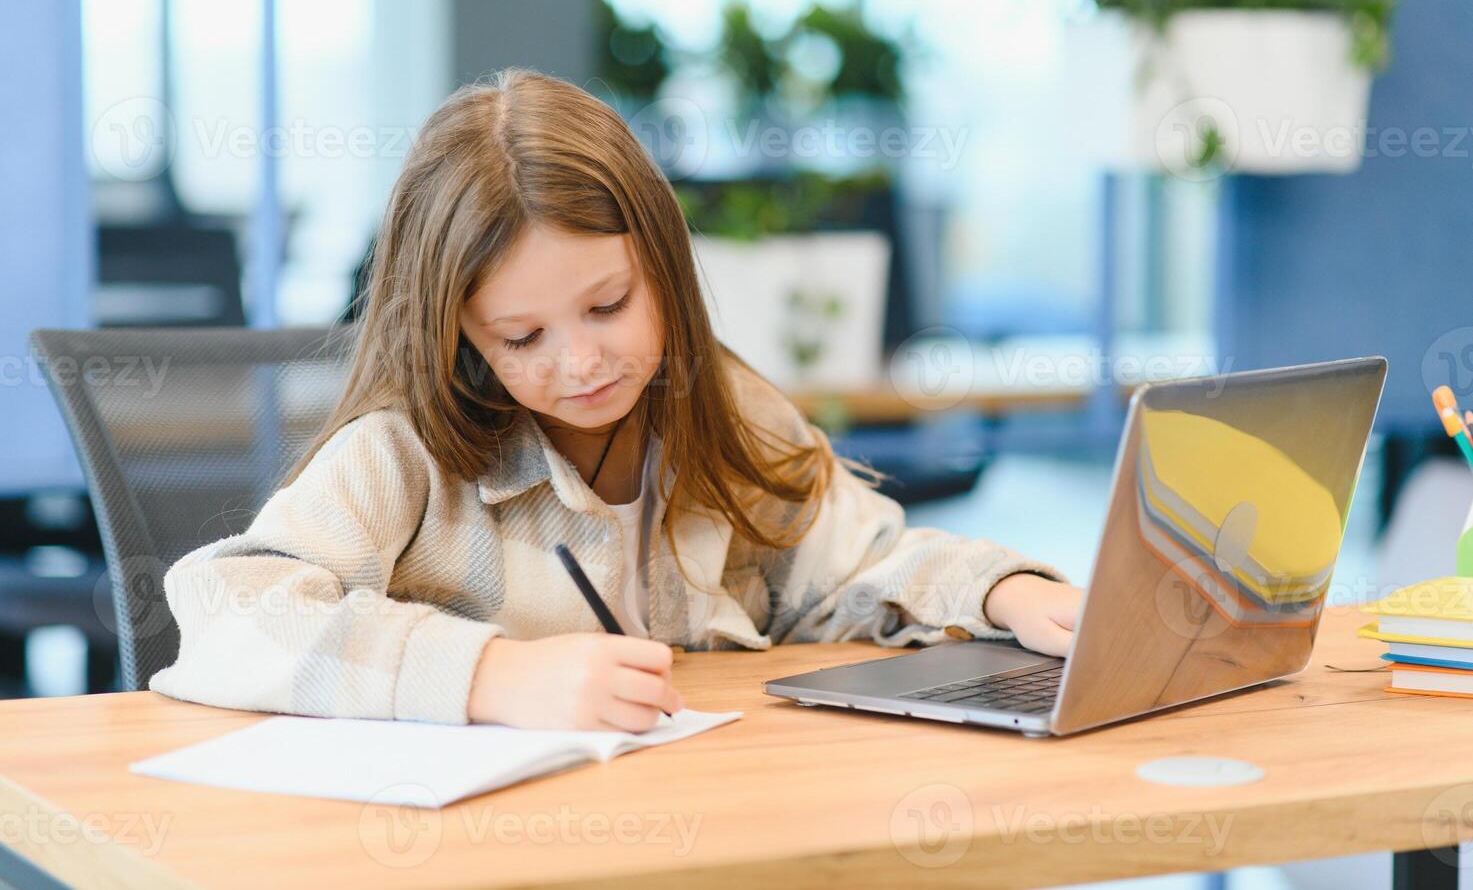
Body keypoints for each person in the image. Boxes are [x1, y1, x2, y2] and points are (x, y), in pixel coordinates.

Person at [149, 69, 1084, 734]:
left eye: (609, 305)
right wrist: (489, 675)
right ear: (458, 334)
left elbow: (852, 566)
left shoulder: (720, 411)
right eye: (522, 339)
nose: (583, 361)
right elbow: (228, 612)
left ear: (664, 267)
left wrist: (1001, 590)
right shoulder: (402, 457)